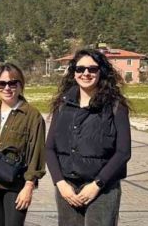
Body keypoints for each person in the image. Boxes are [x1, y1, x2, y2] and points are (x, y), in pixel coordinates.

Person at [45, 49, 132, 226]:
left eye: (92, 69)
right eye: (80, 69)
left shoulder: (115, 106)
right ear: (73, 73)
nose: (86, 73)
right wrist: (60, 183)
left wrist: (97, 184)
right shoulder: (63, 105)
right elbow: (49, 148)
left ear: (101, 72)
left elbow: (123, 152)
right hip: (68, 189)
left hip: (102, 189)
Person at [0, 63, 46, 226]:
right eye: (2, 83)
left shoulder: (32, 116)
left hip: (16, 186)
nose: (7, 88)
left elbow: (36, 153)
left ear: (20, 84)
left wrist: (29, 186)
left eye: (12, 83)